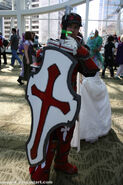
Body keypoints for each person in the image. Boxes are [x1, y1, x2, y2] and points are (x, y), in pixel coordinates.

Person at [29, 12, 99, 184]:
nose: (73, 31)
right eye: (70, 27)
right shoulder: (53, 44)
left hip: (68, 100)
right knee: (49, 136)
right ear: (63, 27)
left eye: (76, 28)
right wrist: (46, 50)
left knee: (66, 134)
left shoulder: (79, 48)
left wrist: (79, 49)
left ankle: (61, 163)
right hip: (50, 98)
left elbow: (91, 70)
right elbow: (37, 67)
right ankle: (43, 170)